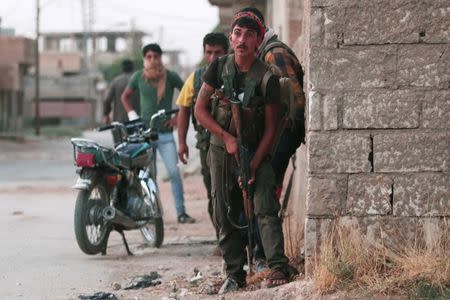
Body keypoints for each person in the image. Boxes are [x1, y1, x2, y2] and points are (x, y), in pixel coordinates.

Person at [194, 11, 295, 294]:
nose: (242, 40)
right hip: (221, 149)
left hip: (256, 149)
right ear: (231, 37)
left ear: (258, 40)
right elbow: (200, 110)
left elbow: (272, 128)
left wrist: (253, 163)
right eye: (238, 33)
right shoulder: (217, 69)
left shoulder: (267, 78)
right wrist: (225, 137)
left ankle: (277, 265)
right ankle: (235, 272)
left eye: (249, 35)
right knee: (223, 207)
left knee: (264, 203)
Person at [239, 7, 306, 272]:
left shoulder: (274, 54)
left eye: (249, 33)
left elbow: (295, 102)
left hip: (282, 134)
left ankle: (266, 256)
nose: (243, 40)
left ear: (260, 33)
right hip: (276, 134)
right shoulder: (261, 55)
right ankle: (263, 253)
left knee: (265, 189)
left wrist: (283, 137)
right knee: (264, 189)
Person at [121, 43, 195, 224]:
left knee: (174, 173)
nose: (153, 60)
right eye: (149, 57)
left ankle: (181, 213)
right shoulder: (139, 77)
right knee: (149, 177)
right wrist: (132, 115)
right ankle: (154, 215)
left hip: (165, 135)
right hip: (145, 135)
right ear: (144, 59)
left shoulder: (170, 76)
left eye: (156, 56)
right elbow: (125, 96)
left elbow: (188, 93)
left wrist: (178, 116)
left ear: (161, 58)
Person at [176, 32, 229, 241]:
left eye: (218, 52)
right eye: (209, 52)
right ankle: (222, 238)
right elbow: (183, 108)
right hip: (207, 144)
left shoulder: (236, 71)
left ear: (227, 52)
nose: (213, 57)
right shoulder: (197, 78)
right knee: (214, 192)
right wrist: (182, 143)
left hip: (233, 141)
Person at [102, 59, 140, 144]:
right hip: (138, 120)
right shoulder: (139, 80)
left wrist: (106, 114)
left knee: (120, 147)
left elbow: (107, 99)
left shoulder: (116, 81)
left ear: (122, 68)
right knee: (138, 149)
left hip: (120, 121)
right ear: (133, 67)